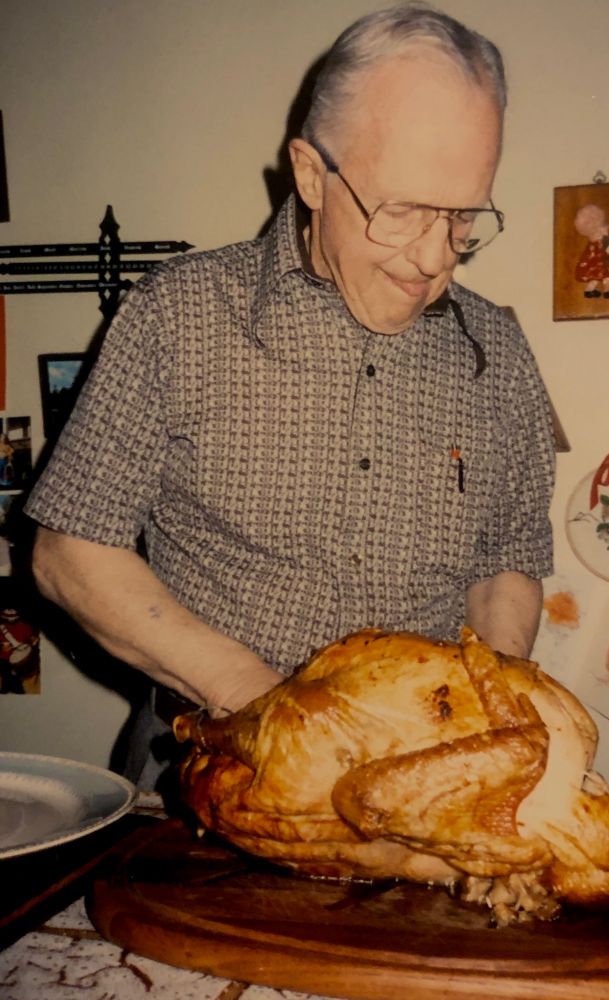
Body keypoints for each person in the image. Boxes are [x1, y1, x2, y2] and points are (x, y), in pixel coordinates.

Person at [25, 2, 555, 786]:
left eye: (463, 218)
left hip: (420, 778)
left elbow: (507, 563)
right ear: (312, 173)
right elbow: (69, 550)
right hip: (211, 762)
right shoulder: (180, 315)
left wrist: (486, 725)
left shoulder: (498, 352)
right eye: (403, 210)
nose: (434, 260)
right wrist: (263, 702)